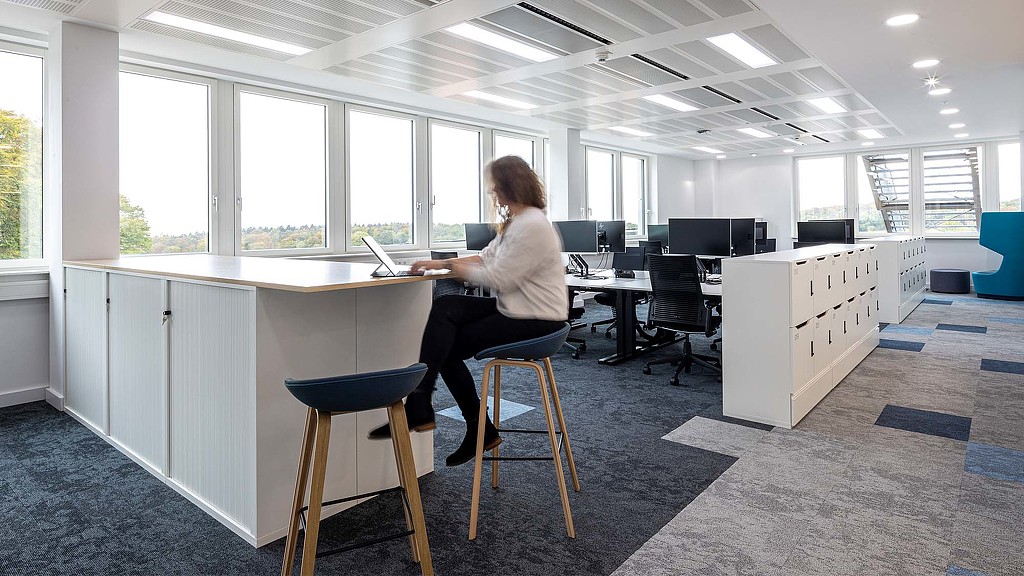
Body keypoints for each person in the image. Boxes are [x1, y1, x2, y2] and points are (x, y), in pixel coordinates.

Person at [368, 155, 568, 467]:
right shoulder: (517, 223)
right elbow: (485, 258)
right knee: (446, 308)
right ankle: (432, 408)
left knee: (444, 343)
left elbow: (499, 277)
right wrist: (440, 263)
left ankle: (441, 413)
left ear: (510, 186)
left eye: (496, 185)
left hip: (538, 319)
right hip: (519, 307)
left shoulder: (532, 225)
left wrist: (452, 267)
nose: (492, 191)